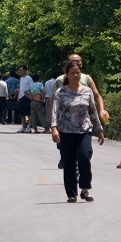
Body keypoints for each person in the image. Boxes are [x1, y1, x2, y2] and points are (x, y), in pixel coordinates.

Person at [50, 60, 104, 203]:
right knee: (69, 162)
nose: (75, 75)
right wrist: (54, 128)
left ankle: (85, 188)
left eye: (77, 73)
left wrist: (99, 129)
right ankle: (71, 194)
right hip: (66, 131)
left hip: (84, 130)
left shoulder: (87, 91)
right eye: (72, 73)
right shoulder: (61, 92)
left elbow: (92, 111)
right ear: (67, 75)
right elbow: (55, 111)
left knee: (85, 157)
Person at [16, 65, 33, 133]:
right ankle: (23, 126)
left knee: (27, 113)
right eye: (19, 70)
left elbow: (31, 87)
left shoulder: (28, 78)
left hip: (26, 96)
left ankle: (29, 126)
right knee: (22, 113)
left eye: (21, 70)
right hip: (21, 97)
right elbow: (21, 87)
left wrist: (29, 94)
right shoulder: (21, 79)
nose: (20, 72)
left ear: (25, 70)